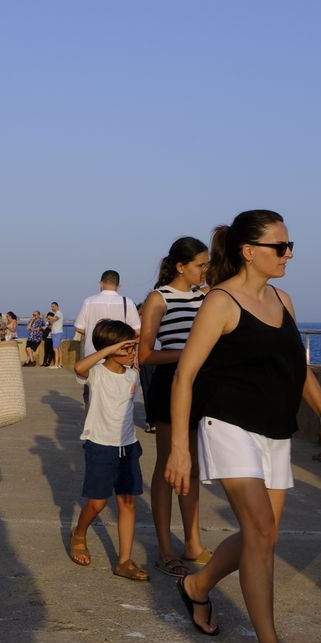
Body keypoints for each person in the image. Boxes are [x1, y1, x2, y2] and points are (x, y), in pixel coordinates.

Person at [165, 209, 321, 643]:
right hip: (228, 425)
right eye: (279, 247)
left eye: (289, 246)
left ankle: (197, 586)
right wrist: (180, 447)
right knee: (261, 530)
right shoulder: (220, 302)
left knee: (263, 537)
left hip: (275, 432)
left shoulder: (283, 299)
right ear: (249, 251)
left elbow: (298, 368)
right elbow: (185, 375)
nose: (288, 254)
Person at [137, 237, 210, 578]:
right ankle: (166, 548)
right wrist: (189, 354)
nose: (205, 270)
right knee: (168, 468)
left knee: (192, 468)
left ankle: (193, 542)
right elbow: (146, 354)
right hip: (170, 384)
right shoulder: (159, 298)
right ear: (181, 266)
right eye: (200, 265)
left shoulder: (208, 295)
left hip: (201, 387)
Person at [68, 319, 147, 580]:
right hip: (100, 445)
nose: (131, 352)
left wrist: (128, 353)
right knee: (98, 503)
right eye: (126, 348)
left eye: (132, 347)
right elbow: (79, 367)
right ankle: (79, 533)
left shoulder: (133, 375)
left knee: (128, 502)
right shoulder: (97, 373)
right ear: (111, 348)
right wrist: (108, 350)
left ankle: (124, 560)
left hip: (128, 447)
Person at [74, 270, 142, 358]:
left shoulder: (89, 301)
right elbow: (137, 331)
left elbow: (79, 327)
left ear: (101, 284)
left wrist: (95, 333)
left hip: (93, 355)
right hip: (119, 355)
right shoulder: (128, 303)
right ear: (118, 286)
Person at [46, 301, 65, 367]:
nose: (52, 308)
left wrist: (49, 317)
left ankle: (56, 364)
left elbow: (55, 319)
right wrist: (49, 320)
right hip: (56, 332)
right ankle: (60, 364)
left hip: (57, 333)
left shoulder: (58, 313)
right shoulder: (56, 314)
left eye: (53, 306)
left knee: (55, 349)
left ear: (57, 306)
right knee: (59, 349)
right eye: (51, 306)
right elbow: (52, 322)